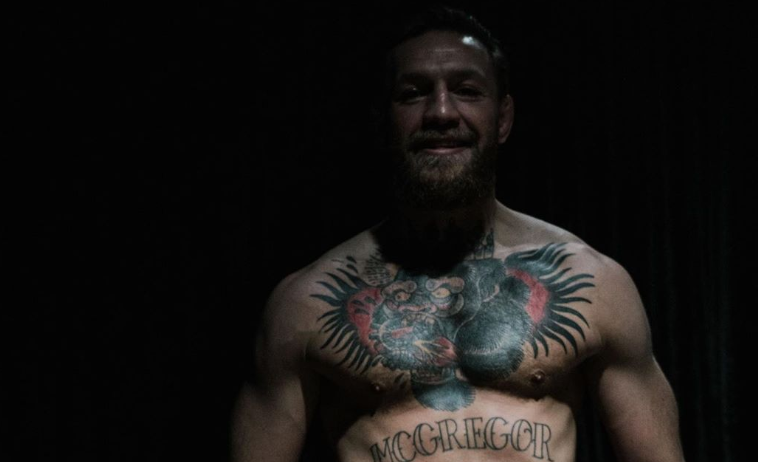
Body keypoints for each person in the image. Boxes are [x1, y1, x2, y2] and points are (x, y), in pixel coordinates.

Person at [232, 6, 685, 462]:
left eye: (467, 91)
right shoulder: (305, 304)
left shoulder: (595, 283)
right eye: (413, 94)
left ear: (502, 118)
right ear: (382, 119)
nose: (442, 112)